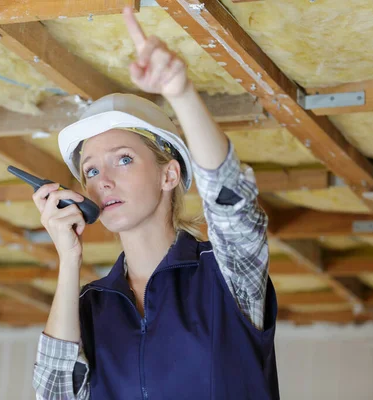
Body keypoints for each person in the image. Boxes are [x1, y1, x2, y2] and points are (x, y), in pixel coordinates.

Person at [31, 6, 278, 400]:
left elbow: (231, 204)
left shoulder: (225, 274)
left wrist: (180, 93)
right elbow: (55, 394)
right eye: (91, 171)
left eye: (124, 159)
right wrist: (69, 260)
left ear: (169, 175)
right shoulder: (89, 307)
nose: (104, 180)